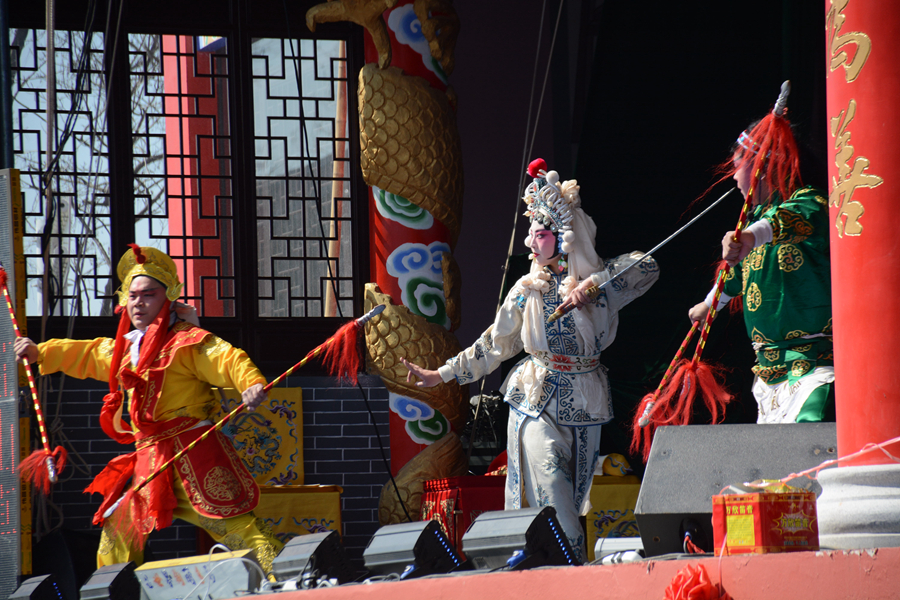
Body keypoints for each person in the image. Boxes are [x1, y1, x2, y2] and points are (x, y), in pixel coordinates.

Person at [402, 159, 658, 560]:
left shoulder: (599, 285)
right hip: (537, 397)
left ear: (563, 238)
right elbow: (495, 343)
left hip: (585, 397)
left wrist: (593, 285)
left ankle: (563, 560)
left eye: (540, 235)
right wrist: (443, 373)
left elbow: (648, 266)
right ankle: (565, 565)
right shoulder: (527, 290)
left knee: (573, 494)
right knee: (551, 482)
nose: (531, 243)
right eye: (532, 235)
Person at [14, 245, 283, 572]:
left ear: (167, 299)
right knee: (118, 533)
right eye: (133, 296)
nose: (138, 302)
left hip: (191, 453)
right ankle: (113, 591)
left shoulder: (187, 342)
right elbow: (89, 353)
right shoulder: (127, 350)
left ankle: (287, 579)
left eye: (148, 295)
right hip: (149, 460)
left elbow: (226, 357)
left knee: (239, 529)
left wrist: (250, 382)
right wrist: (40, 352)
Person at [688, 83, 833, 424]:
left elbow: (785, 221)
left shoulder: (810, 204)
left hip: (814, 367)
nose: (734, 178)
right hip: (768, 374)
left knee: (807, 445)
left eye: (737, 167)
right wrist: (710, 304)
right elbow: (735, 276)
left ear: (760, 169)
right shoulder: (753, 223)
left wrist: (750, 237)